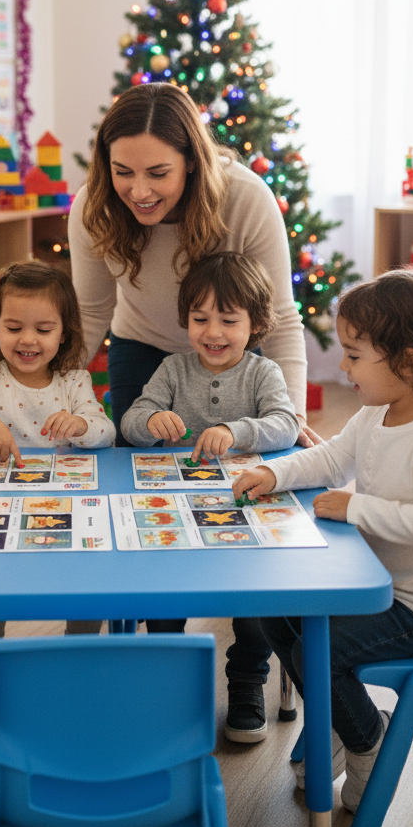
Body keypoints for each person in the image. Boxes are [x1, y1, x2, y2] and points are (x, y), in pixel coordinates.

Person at [68, 82, 312, 738]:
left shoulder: (245, 199)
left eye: (158, 173)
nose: (138, 190)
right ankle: (165, 665)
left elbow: (283, 318)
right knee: (149, 510)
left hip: (238, 358)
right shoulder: (94, 207)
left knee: (250, 519)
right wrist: (48, 400)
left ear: (193, 163)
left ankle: (248, 674)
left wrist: (287, 415)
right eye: (122, 171)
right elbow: (89, 314)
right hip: (144, 350)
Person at [231, 269, 413, 812]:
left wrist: (357, 507)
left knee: (317, 652)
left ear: (408, 362)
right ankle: (343, 719)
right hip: (377, 587)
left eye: (353, 355)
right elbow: (329, 458)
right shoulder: (376, 413)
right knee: (275, 613)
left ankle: (368, 737)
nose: (343, 367)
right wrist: (274, 473)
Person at [122, 251, 299, 742]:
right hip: (172, 513)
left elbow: (286, 425)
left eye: (228, 320)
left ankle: (247, 681)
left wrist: (235, 430)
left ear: (256, 324)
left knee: (255, 600)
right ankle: (172, 680)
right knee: (164, 591)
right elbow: (131, 422)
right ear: (186, 320)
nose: (213, 332)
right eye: (200, 319)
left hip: (243, 511)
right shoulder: (172, 369)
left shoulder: (263, 373)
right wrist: (150, 421)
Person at [0, 260, 114, 726]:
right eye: (13, 327)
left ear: (64, 333)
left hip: (63, 510)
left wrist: (81, 425)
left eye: (43, 329)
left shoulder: (74, 381)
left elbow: (106, 432)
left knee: (90, 579)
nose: (27, 340)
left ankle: (77, 663)